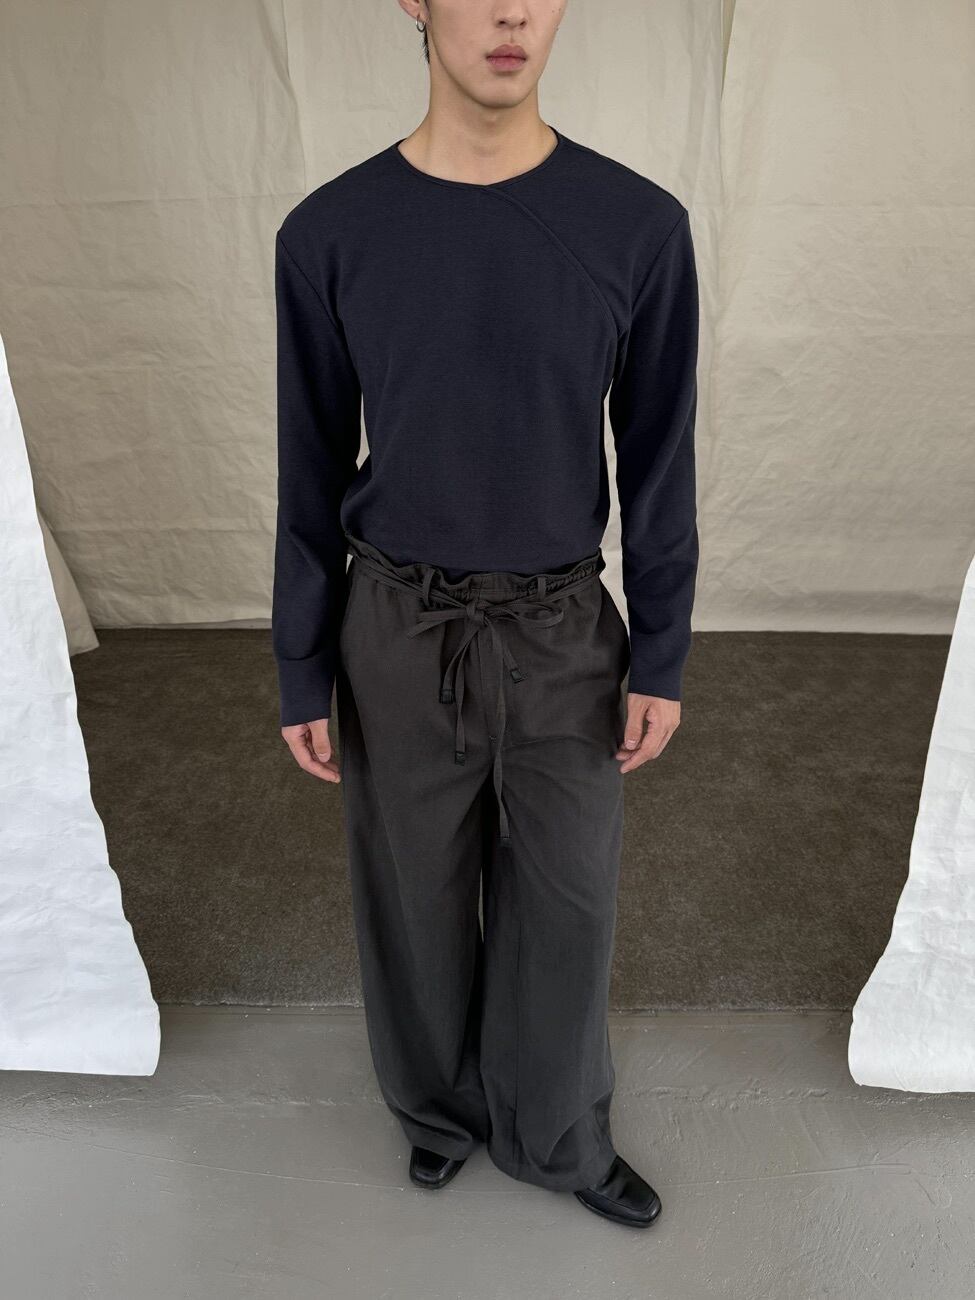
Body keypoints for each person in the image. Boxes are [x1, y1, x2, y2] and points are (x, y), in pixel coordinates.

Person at [271, 0, 699, 1230]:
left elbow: (658, 457)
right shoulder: (332, 233)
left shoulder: (636, 226)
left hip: (564, 629)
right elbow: (310, 464)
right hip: (397, 626)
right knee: (411, 895)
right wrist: (302, 661)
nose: (512, 11)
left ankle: (558, 1130)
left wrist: (661, 650)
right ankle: (438, 1110)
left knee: (566, 900)